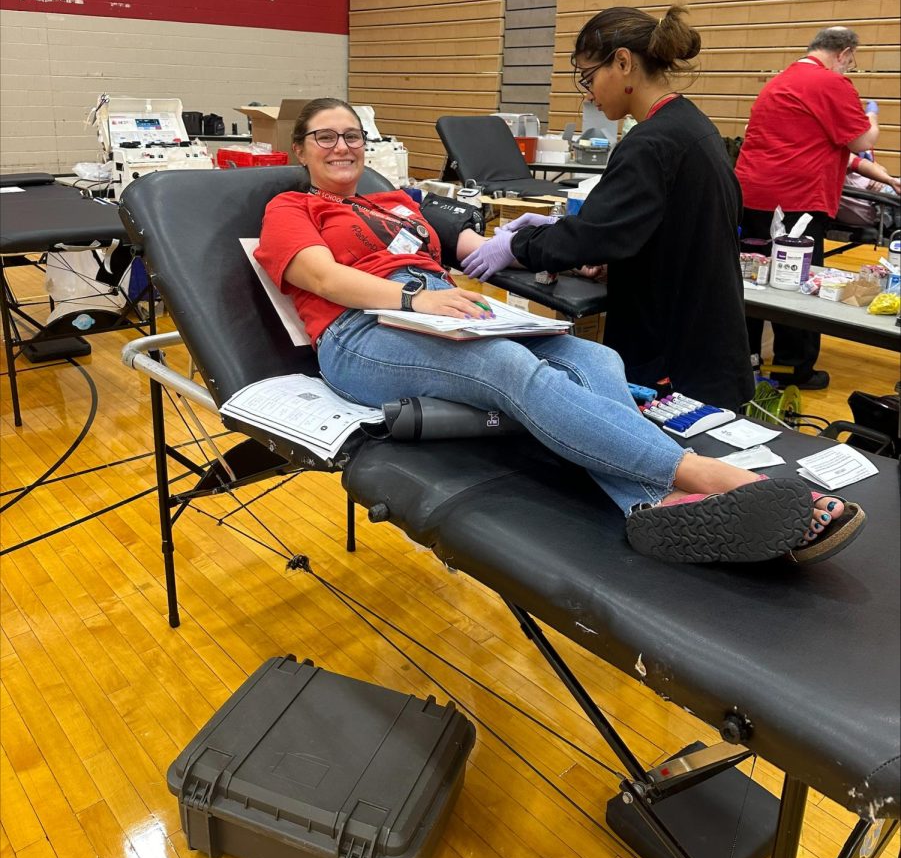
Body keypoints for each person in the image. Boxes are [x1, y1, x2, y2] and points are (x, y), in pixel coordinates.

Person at [254, 97, 865, 566]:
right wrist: (416, 296)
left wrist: (549, 248)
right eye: (325, 137)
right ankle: (708, 478)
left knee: (596, 361)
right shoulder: (293, 208)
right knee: (507, 370)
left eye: (352, 135)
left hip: (444, 311)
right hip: (360, 333)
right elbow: (321, 276)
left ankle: (651, 508)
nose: (342, 146)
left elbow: (474, 247)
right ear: (301, 150)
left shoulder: (401, 204)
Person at [461, 5, 754, 413]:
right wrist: (621, 258)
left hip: (676, 362)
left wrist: (517, 244)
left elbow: (590, 236)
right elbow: (670, 228)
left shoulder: (651, 143)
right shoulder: (690, 124)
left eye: (589, 76)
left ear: (623, 62)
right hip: (708, 349)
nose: (588, 92)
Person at [735, 27, 878, 390]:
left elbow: (812, 145)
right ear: (844, 53)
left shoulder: (779, 82)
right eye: (852, 64)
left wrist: (885, 178)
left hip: (752, 194)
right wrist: (873, 116)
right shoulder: (831, 84)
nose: (850, 71)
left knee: (753, 277)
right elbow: (861, 142)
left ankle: (746, 358)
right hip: (797, 200)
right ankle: (793, 370)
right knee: (797, 283)